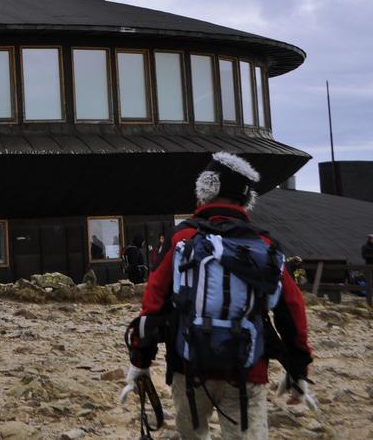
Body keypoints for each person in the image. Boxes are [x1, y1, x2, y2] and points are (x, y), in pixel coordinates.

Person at [120, 153, 315, 439]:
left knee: (193, 435)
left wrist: (140, 362)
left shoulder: (181, 238)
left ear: (205, 191)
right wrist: (298, 370)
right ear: (246, 199)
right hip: (248, 367)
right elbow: (292, 309)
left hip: (188, 366)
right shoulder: (264, 244)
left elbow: (154, 304)